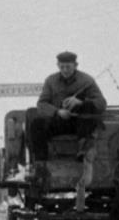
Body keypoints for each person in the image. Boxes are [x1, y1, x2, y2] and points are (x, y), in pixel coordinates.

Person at [26, 51, 106, 210]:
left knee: (89, 115)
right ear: (58, 66)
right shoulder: (51, 81)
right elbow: (41, 105)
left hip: (81, 122)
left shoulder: (87, 80)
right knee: (36, 124)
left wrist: (80, 102)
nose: (65, 70)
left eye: (68, 66)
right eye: (62, 66)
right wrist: (57, 112)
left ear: (75, 65)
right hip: (61, 120)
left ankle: (84, 150)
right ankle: (40, 164)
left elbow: (101, 103)